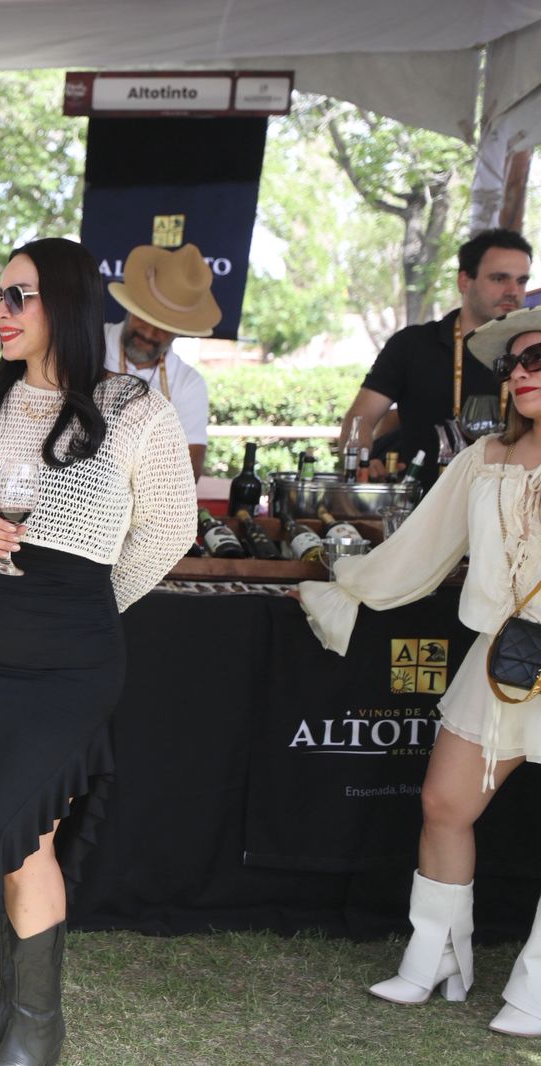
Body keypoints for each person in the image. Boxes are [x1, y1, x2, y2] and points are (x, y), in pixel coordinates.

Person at [0, 238, 195, 1065]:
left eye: (20, 296)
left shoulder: (133, 409)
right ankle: (13, 1010)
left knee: (28, 836)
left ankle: (39, 1029)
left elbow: (170, 529)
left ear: (67, 304)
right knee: (3, 834)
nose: (0, 311)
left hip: (69, 660)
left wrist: (88, 608)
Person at [297, 303, 541, 1038]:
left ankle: (536, 986)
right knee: (443, 803)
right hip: (503, 659)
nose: (522, 373)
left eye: (539, 358)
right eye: (514, 363)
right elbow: (421, 549)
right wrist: (347, 583)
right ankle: (436, 956)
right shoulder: (485, 458)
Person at [338, 228, 530, 485]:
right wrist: (363, 462)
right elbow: (360, 418)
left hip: (506, 501)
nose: (513, 291)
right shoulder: (412, 344)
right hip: (422, 500)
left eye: (521, 281)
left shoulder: (531, 355)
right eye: (499, 278)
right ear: (464, 281)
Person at [103, 242, 219, 481]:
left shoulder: (189, 383)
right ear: (131, 306)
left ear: (178, 331)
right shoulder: (90, 344)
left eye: (162, 328)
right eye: (143, 317)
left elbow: (188, 474)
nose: (148, 333)